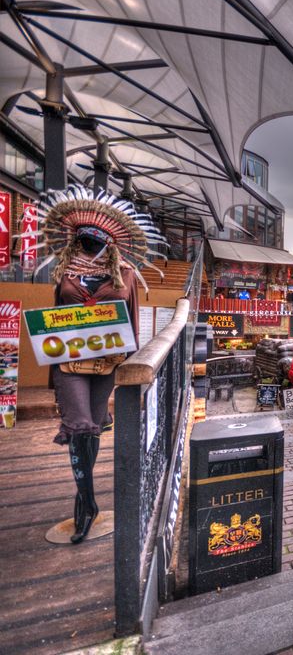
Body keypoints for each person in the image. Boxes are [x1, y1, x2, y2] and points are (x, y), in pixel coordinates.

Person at [37, 184, 162, 544]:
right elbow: (53, 318)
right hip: (71, 361)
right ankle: (89, 503)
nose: (89, 244)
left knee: (91, 427)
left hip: (106, 362)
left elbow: (132, 321)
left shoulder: (126, 273)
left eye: (95, 239)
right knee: (77, 425)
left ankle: (83, 499)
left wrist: (133, 365)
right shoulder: (66, 273)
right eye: (83, 239)